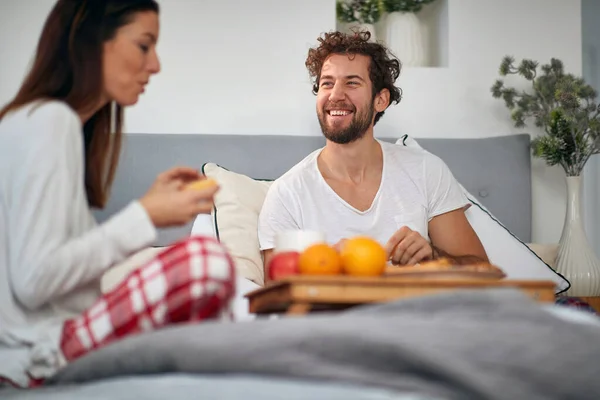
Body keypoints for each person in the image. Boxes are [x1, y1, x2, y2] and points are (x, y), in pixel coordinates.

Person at [0, 0, 235, 388]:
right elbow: (35, 279)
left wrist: (150, 209)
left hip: (36, 345)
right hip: (36, 356)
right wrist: (145, 216)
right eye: (144, 45)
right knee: (206, 261)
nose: (155, 65)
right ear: (93, 43)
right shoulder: (50, 122)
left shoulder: (32, 121)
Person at [258, 30, 488, 276]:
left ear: (381, 100)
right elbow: (278, 294)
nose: (335, 95)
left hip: (419, 311)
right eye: (327, 83)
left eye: (352, 82)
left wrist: (434, 255)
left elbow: (482, 272)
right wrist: (333, 269)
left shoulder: (425, 170)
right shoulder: (287, 194)